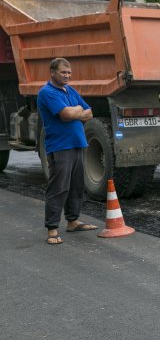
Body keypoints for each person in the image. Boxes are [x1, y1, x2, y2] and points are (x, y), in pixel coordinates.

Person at [38, 58, 97, 245]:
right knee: (59, 188)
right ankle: (52, 229)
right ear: (52, 72)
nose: (67, 75)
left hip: (77, 143)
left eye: (69, 72)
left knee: (77, 185)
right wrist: (77, 111)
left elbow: (90, 112)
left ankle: (72, 221)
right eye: (63, 72)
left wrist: (76, 111)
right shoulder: (47, 92)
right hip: (60, 146)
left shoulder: (70, 90)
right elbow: (66, 115)